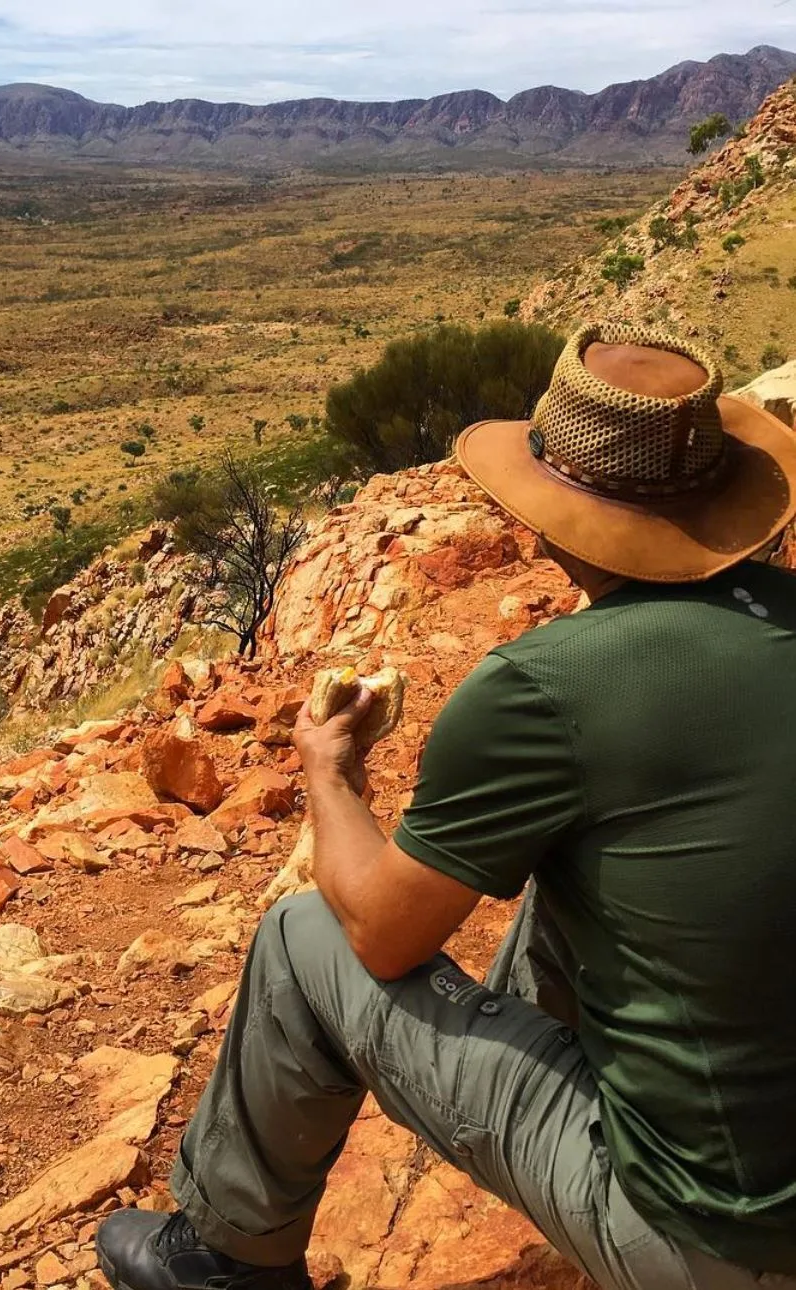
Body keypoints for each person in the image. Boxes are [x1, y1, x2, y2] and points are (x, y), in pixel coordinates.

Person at [95, 323, 796, 1290]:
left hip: (715, 1240)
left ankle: (225, 1259)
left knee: (303, 943)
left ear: (549, 516)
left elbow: (381, 937)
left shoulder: (546, 685)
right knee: (590, 883)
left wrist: (329, 770)